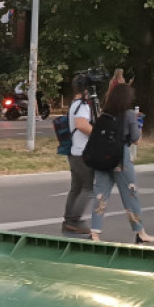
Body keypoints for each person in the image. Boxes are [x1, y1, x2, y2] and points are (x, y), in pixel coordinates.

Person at [90, 83, 154, 244]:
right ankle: (140, 231)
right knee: (130, 194)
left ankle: (94, 232)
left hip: (101, 157)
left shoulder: (104, 114)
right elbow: (136, 140)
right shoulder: (129, 114)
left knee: (100, 194)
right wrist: (138, 124)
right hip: (121, 157)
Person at [62, 74, 95, 236]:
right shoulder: (82, 105)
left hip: (75, 152)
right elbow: (81, 125)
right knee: (89, 188)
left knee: (76, 188)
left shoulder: (74, 104)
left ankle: (69, 221)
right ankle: (74, 220)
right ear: (86, 89)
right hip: (83, 153)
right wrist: (97, 134)